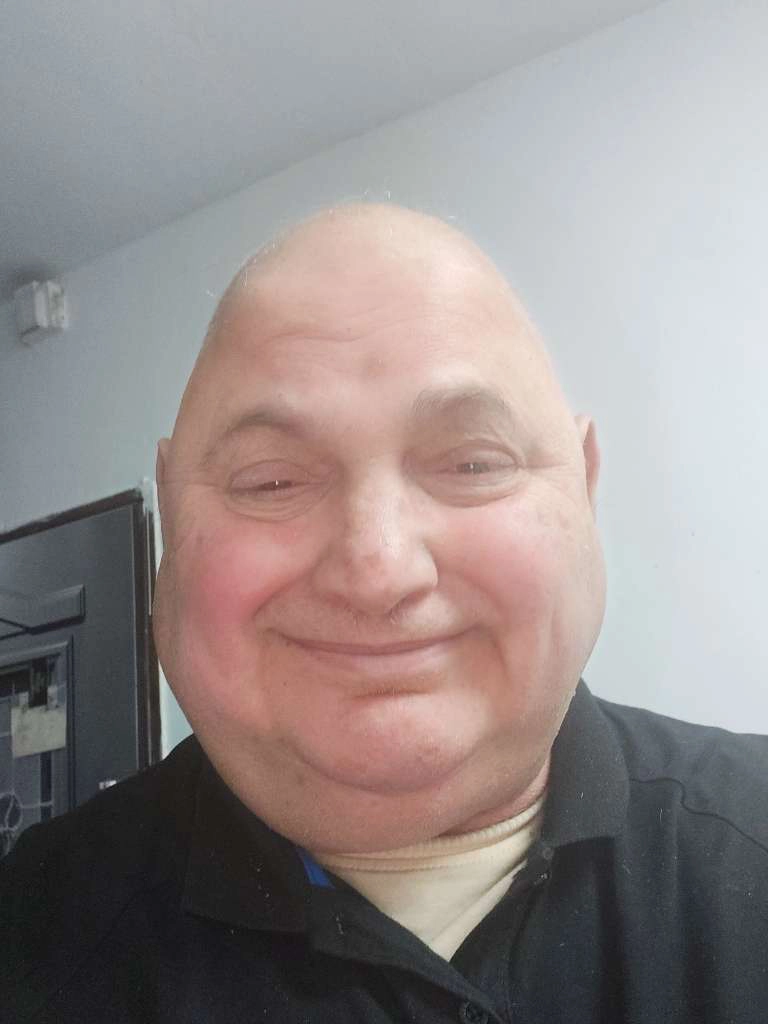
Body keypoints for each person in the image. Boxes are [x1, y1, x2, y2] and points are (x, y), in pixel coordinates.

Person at [2, 203, 766, 1023]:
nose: (378, 570)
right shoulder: (30, 935)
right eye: (271, 481)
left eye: (473, 464)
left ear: (583, 485)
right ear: (173, 513)